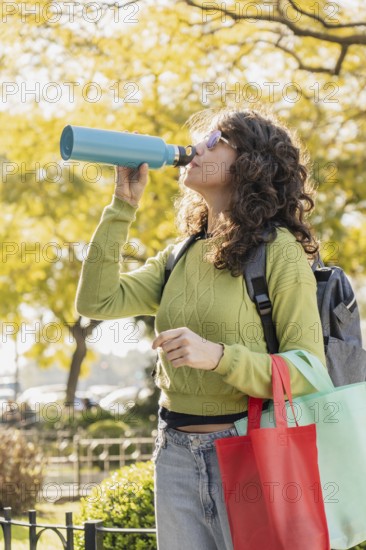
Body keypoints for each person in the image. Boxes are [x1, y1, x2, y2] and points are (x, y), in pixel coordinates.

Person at [75, 107, 326, 550]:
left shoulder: (279, 253)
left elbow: (308, 372)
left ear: (250, 163)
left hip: (248, 449)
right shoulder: (179, 255)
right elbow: (96, 301)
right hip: (173, 452)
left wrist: (218, 357)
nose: (199, 146)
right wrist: (121, 207)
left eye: (218, 140)